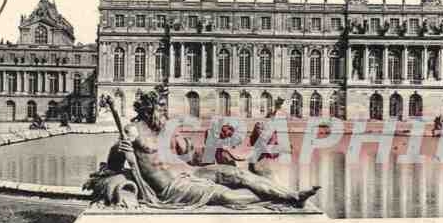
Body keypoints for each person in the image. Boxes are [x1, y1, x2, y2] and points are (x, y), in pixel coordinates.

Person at [92, 89, 319, 209]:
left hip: (190, 172)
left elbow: (191, 155)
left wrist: (213, 143)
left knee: (236, 174)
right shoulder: (133, 131)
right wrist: (120, 150)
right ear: (148, 110)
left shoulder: (165, 129)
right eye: (161, 109)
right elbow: (114, 163)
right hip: (173, 186)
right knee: (225, 195)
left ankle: (292, 196)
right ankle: (276, 199)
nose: (165, 112)